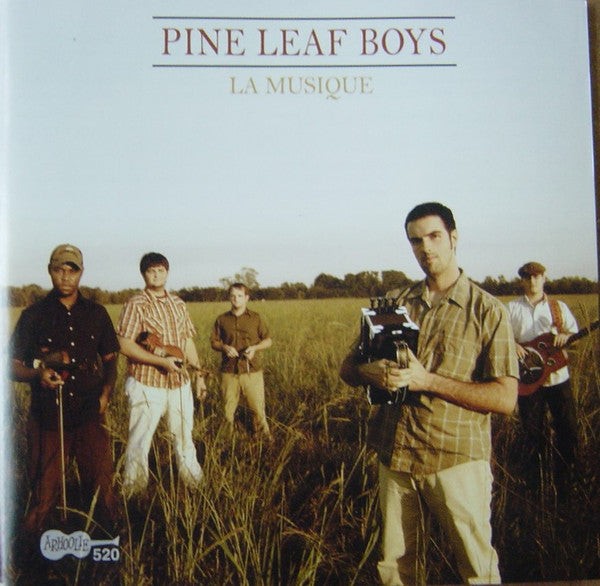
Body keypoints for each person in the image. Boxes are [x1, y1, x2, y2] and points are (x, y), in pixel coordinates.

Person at [340, 202, 519, 585]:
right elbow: (348, 368)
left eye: (434, 236)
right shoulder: (394, 303)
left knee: (477, 570)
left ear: (454, 237)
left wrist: (428, 381)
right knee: (396, 570)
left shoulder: (487, 311)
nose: (426, 248)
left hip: (456, 461)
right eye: (416, 241)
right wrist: (369, 372)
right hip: (396, 458)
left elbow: (505, 399)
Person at [10, 244, 120, 533]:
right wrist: (38, 374)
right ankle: (37, 550)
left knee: (102, 487)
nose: (66, 276)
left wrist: (106, 394)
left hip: (90, 413)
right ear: (50, 271)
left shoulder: (97, 313)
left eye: (72, 270)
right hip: (47, 417)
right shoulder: (32, 315)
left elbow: (111, 359)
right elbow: (12, 366)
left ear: (81, 273)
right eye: (59, 269)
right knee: (44, 493)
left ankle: (107, 542)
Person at [116, 252, 205, 494]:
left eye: (161, 270)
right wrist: (161, 361)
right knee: (140, 440)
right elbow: (124, 344)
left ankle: (194, 485)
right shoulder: (136, 303)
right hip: (147, 383)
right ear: (143, 274)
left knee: (184, 436)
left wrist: (199, 374)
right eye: (151, 271)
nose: (156, 275)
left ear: (167, 272)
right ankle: (134, 492)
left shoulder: (178, 303)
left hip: (179, 383)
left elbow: (186, 341)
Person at [506, 262, 579, 490]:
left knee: (568, 430)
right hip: (528, 382)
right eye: (527, 277)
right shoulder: (512, 309)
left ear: (544, 278)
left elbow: (573, 336)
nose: (532, 281)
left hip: (558, 379)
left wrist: (566, 336)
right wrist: (512, 345)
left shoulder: (558, 308)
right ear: (522, 281)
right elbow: (500, 337)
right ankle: (534, 487)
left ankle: (566, 484)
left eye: (537, 277)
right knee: (532, 434)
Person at [211, 283, 273, 440]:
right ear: (229, 297)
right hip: (229, 370)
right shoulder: (222, 319)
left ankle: (264, 440)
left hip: (252, 370)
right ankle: (226, 441)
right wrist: (224, 347)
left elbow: (268, 340)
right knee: (227, 410)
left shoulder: (256, 318)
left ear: (246, 298)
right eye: (233, 296)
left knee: (257, 409)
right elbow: (214, 342)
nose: (236, 299)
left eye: (240, 296)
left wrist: (255, 348)